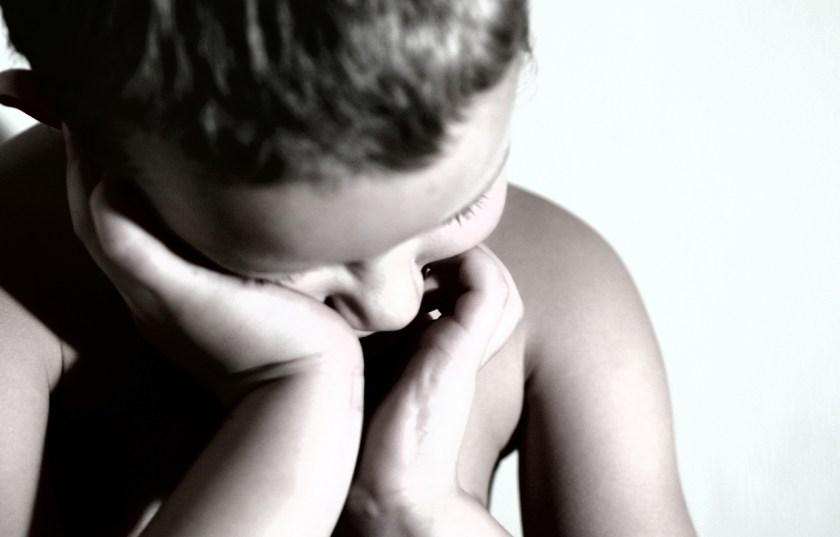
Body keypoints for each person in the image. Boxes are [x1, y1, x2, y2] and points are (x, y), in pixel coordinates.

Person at [0, 1, 697, 535]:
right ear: (74, 127)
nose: (395, 303)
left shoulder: (567, 294)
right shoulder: (17, 288)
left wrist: (418, 513)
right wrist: (292, 396)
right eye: (292, 263)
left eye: (464, 202)